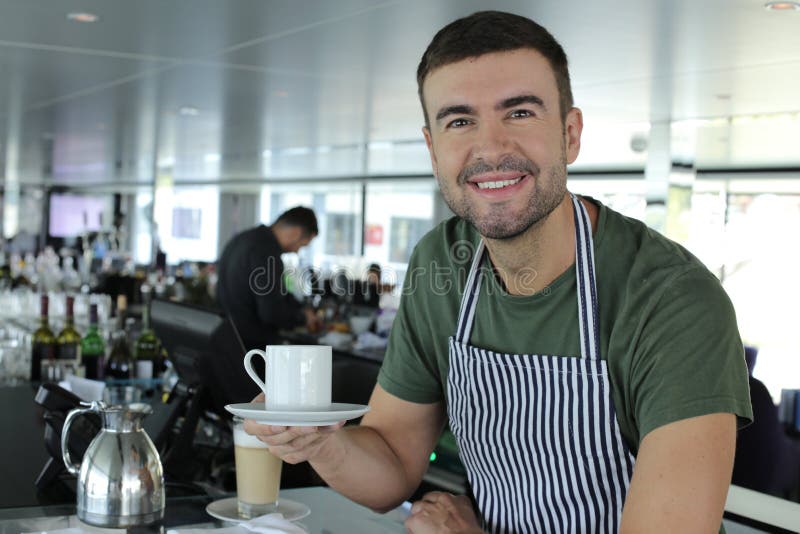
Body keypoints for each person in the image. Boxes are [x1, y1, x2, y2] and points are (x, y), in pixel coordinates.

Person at [244, 11, 752, 533]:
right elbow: (392, 466)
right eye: (460, 121)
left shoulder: (674, 301)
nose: (490, 148)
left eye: (521, 113)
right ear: (433, 149)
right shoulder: (440, 263)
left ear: (570, 135)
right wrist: (320, 440)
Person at [216, 206, 319, 350]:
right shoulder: (267, 252)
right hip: (251, 346)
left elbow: (275, 292)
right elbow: (271, 312)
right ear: (296, 233)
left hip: (227, 338)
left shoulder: (242, 239)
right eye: (301, 246)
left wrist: (301, 308)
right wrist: (303, 318)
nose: (296, 252)